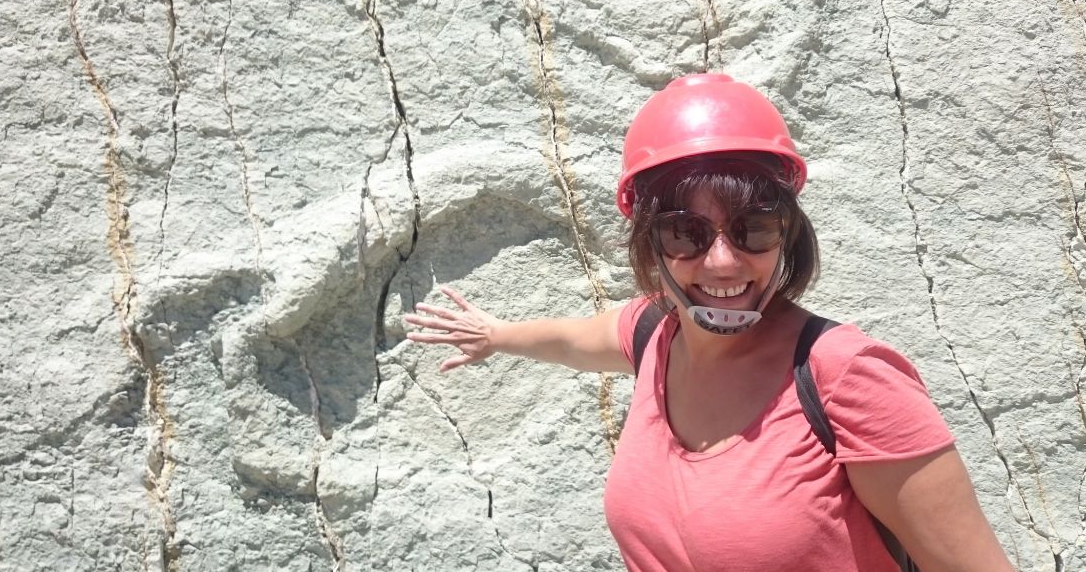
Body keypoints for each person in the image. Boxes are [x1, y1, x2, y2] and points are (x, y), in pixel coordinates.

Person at [403, 73, 1013, 571]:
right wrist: (494, 336)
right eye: (684, 232)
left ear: (788, 234)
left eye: (754, 227)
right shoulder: (653, 335)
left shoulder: (848, 378)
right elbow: (570, 339)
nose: (722, 260)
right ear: (649, 242)